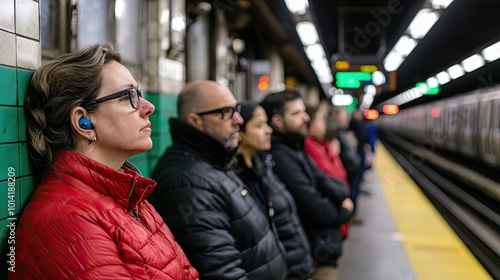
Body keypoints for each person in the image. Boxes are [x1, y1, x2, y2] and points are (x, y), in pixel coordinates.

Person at [13, 43, 198, 279]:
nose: (149, 107)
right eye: (129, 96)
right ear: (83, 122)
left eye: (139, 94)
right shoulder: (67, 220)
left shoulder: (130, 197)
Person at [149, 81, 287, 280]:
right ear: (196, 121)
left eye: (236, 109)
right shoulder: (189, 184)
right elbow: (221, 272)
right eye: (226, 112)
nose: (238, 119)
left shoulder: (215, 162)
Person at [260, 89, 354, 280]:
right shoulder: (281, 156)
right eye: (296, 113)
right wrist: (345, 211)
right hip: (314, 252)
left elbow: (329, 181)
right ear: (278, 121)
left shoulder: (296, 148)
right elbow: (314, 206)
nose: (306, 118)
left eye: (305, 112)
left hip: (319, 249)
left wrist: (343, 195)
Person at [234, 101, 315, 279]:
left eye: (266, 124)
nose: (268, 130)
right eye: (259, 125)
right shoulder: (236, 179)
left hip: (294, 267)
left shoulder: (263, 168)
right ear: (239, 133)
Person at [304, 105, 351, 240]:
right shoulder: (311, 147)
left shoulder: (322, 145)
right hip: (332, 217)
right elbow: (332, 176)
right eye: (320, 119)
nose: (324, 122)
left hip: (339, 210)